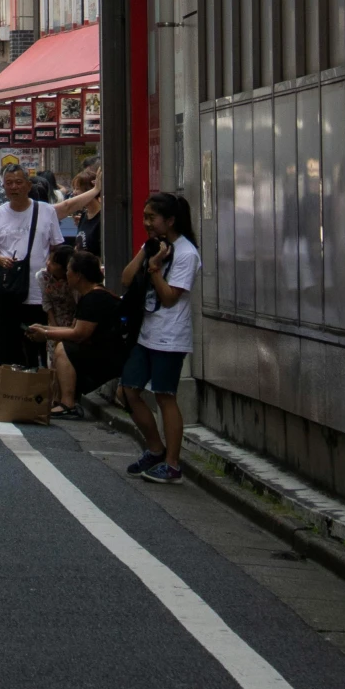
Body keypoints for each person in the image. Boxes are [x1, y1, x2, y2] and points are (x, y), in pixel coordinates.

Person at [120, 192, 201, 483]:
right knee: (128, 390)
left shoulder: (187, 253)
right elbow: (126, 279)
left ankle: (173, 464)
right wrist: (146, 252)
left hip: (171, 335)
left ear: (170, 220)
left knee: (165, 396)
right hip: (146, 332)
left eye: (151, 218)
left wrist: (155, 270)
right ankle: (155, 449)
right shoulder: (154, 246)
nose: (146, 223)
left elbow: (168, 298)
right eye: (145, 218)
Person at [0, 160, 66, 374]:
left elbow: (56, 247)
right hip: (5, 292)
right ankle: (7, 394)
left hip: (38, 293)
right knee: (6, 346)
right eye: (9, 183)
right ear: (3, 187)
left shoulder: (46, 212)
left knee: (36, 346)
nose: (14, 187)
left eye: (19, 182)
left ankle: (36, 393)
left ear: (28, 185)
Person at [28, 247, 128, 415]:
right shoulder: (89, 295)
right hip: (104, 351)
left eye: (68, 270)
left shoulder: (94, 298)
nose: (66, 274)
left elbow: (79, 333)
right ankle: (61, 400)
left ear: (79, 275)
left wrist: (45, 334)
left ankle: (68, 403)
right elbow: (74, 329)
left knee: (63, 348)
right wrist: (44, 328)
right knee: (63, 345)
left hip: (111, 356)